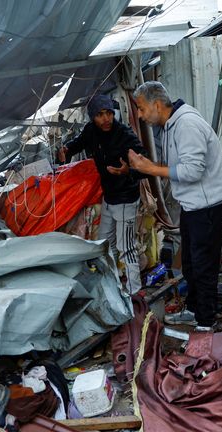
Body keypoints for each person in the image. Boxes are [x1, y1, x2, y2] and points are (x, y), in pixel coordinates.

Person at [127, 81, 222, 332]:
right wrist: (141, 168)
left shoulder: (186, 125)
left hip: (208, 205)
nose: (140, 115)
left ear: (156, 104)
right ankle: (196, 311)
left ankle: (206, 323)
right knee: (190, 262)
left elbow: (192, 170)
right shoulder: (170, 125)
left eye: (141, 109)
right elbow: (176, 165)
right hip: (194, 204)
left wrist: (151, 169)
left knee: (204, 263)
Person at [58, 94, 145, 294]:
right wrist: (66, 149)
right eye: (100, 115)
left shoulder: (125, 135)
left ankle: (135, 292)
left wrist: (128, 171)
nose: (106, 119)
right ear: (92, 117)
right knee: (106, 243)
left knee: (127, 247)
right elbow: (78, 143)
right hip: (109, 196)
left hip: (126, 198)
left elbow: (145, 162)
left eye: (108, 113)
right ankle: (113, 285)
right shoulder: (91, 131)